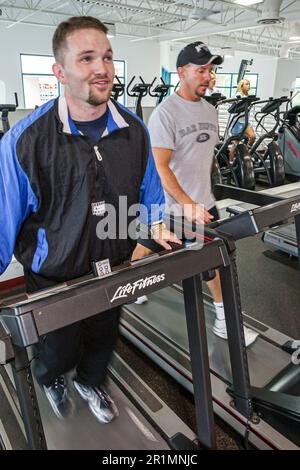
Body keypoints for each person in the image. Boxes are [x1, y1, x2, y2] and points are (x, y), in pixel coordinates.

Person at [0, 16, 180, 424]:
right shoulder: (24, 140)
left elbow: (149, 189)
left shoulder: (133, 129)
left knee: (103, 339)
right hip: (55, 274)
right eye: (86, 58)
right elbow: (3, 215)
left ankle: (90, 381)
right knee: (58, 348)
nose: (102, 68)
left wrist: (156, 226)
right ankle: (52, 378)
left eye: (107, 57)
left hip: (114, 267)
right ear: (59, 71)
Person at [148, 41, 259, 347]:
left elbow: (204, 158)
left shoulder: (210, 111)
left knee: (213, 261)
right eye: (201, 70)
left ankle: (224, 321)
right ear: (182, 72)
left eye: (210, 69)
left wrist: (203, 195)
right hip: (175, 207)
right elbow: (159, 167)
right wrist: (187, 203)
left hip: (203, 204)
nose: (208, 76)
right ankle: (132, 288)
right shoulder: (165, 114)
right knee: (152, 250)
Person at [231, 78, 256, 147]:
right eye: (247, 84)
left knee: (253, 136)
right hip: (238, 122)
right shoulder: (238, 95)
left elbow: (247, 110)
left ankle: (246, 151)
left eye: (249, 84)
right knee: (235, 144)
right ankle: (232, 157)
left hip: (245, 121)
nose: (249, 86)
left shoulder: (247, 96)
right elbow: (233, 103)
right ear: (241, 86)